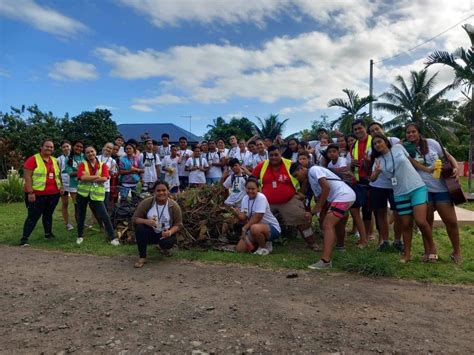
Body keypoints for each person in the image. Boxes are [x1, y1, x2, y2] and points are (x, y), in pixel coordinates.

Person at [370, 133, 436, 263]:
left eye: (379, 141)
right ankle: (407, 254)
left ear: (385, 141)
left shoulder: (398, 148)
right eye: (375, 144)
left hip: (417, 187)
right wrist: (377, 172)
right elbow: (372, 178)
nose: (377, 145)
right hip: (399, 193)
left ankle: (432, 249)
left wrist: (428, 170)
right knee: (405, 224)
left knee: (421, 221)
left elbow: (413, 162)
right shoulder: (378, 160)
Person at [405, 123, 461, 263]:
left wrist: (456, 169)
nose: (411, 134)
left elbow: (449, 157)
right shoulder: (406, 149)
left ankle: (457, 252)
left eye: (413, 132)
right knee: (426, 222)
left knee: (451, 221)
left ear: (419, 132)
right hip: (422, 190)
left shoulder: (431, 143)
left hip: (441, 188)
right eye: (408, 132)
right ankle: (429, 251)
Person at [252, 145, 320, 251]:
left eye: (276, 154)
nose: (274, 157)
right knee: (256, 220)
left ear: (281, 153)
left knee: (303, 219)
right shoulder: (262, 165)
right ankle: (261, 243)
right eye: (271, 155)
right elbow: (252, 179)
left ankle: (312, 243)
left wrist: (302, 193)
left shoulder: (290, 164)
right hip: (267, 202)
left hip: (289, 201)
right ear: (268, 155)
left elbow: (304, 177)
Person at [290, 163, 356, 269]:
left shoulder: (314, 170)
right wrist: (314, 212)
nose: (297, 178)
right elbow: (321, 198)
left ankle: (325, 261)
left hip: (343, 196)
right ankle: (340, 247)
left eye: (296, 175)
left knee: (327, 225)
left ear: (302, 168)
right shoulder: (311, 181)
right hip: (344, 197)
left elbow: (326, 188)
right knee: (335, 223)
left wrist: (317, 208)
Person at [367, 122, 403, 252]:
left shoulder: (395, 141)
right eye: (371, 131)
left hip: (395, 185)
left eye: (377, 128)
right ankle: (385, 241)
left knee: (398, 212)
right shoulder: (372, 149)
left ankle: (398, 240)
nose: (375, 131)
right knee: (380, 213)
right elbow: (372, 173)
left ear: (383, 129)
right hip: (378, 185)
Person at [21, 139, 63, 246]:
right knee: (33, 216)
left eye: (51, 147)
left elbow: (58, 175)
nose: (49, 148)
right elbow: (27, 177)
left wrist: (61, 186)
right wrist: (30, 192)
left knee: (48, 215)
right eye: (47, 146)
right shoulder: (33, 159)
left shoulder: (54, 160)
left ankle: (48, 234)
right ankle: (24, 238)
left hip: (53, 194)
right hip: (37, 194)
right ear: (41, 147)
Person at [132, 181, 183, 268]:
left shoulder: (174, 206)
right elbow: (134, 219)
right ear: (154, 192)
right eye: (158, 191)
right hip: (150, 232)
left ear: (168, 191)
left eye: (164, 190)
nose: (161, 193)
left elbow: (179, 224)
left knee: (168, 242)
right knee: (140, 228)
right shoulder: (147, 203)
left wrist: (170, 232)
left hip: (164, 234)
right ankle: (142, 257)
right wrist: (146, 221)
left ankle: (163, 247)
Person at [76, 146, 120, 246]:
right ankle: (80, 236)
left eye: (92, 151)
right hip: (83, 194)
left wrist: (89, 178)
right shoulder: (82, 164)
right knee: (81, 215)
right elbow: (82, 177)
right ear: (85, 154)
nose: (90, 154)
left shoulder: (102, 165)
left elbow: (105, 178)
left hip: (96, 195)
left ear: (96, 152)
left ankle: (112, 237)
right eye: (87, 152)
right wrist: (96, 177)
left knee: (104, 215)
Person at [234, 177, 281, 255]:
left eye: (253, 189)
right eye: (248, 188)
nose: (250, 191)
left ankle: (264, 248)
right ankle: (261, 242)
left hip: (272, 228)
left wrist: (245, 228)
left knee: (254, 228)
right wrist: (236, 213)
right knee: (240, 249)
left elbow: (258, 217)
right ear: (245, 188)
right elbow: (243, 217)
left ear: (258, 189)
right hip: (255, 227)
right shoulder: (245, 198)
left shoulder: (261, 197)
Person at [349, 119, 372, 246]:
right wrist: (352, 164)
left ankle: (367, 236)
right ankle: (364, 236)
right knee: (355, 208)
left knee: (369, 210)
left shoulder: (373, 141)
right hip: (358, 180)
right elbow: (352, 164)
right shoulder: (353, 145)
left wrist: (368, 162)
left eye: (359, 128)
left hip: (372, 179)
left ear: (365, 127)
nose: (358, 131)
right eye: (355, 129)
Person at [63, 140, 85, 223]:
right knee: (77, 206)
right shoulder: (68, 158)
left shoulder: (85, 156)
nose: (79, 148)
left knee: (83, 205)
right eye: (77, 146)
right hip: (74, 186)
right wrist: (82, 172)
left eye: (81, 147)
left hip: (85, 184)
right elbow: (70, 173)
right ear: (73, 146)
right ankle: (79, 224)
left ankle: (82, 222)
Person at [57, 140, 74, 231]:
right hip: (64, 184)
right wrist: (61, 185)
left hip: (74, 184)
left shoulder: (75, 156)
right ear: (61, 149)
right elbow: (58, 173)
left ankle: (80, 221)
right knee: (65, 203)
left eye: (67, 146)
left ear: (70, 147)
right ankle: (67, 223)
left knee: (77, 204)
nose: (66, 148)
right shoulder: (59, 159)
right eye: (64, 147)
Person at [97, 142, 118, 212]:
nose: (108, 149)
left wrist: (110, 171)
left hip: (106, 185)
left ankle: (103, 220)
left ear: (112, 151)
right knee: (95, 203)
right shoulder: (97, 157)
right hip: (96, 184)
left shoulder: (113, 161)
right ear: (104, 147)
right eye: (107, 147)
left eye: (110, 148)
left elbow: (113, 173)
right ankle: (95, 219)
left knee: (105, 204)